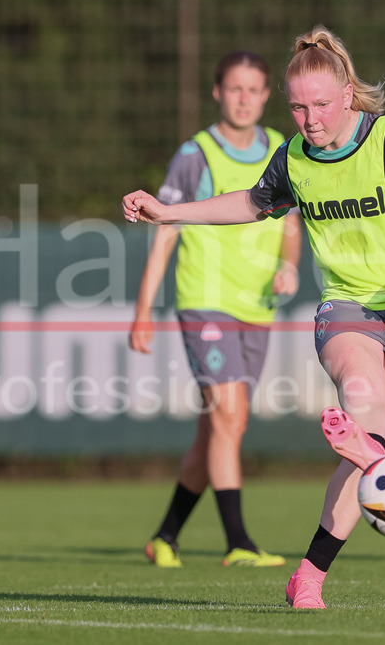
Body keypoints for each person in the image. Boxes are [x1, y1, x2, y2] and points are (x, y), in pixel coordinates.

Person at [123, 25, 385, 608]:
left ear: (347, 93)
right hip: (349, 301)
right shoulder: (294, 157)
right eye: (298, 107)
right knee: (366, 397)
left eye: (321, 104)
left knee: (381, 423)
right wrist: (170, 212)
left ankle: (313, 564)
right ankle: (365, 471)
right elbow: (249, 203)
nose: (310, 119)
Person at [130, 50, 302, 569]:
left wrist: (290, 265)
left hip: (259, 307)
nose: (244, 99)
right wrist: (143, 310)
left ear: (267, 95)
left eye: (254, 89)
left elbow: (290, 224)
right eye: (234, 89)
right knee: (228, 418)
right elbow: (165, 233)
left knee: (219, 428)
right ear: (217, 93)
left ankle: (165, 536)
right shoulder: (196, 153)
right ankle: (239, 543)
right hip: (205, 303)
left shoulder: (283, 149)